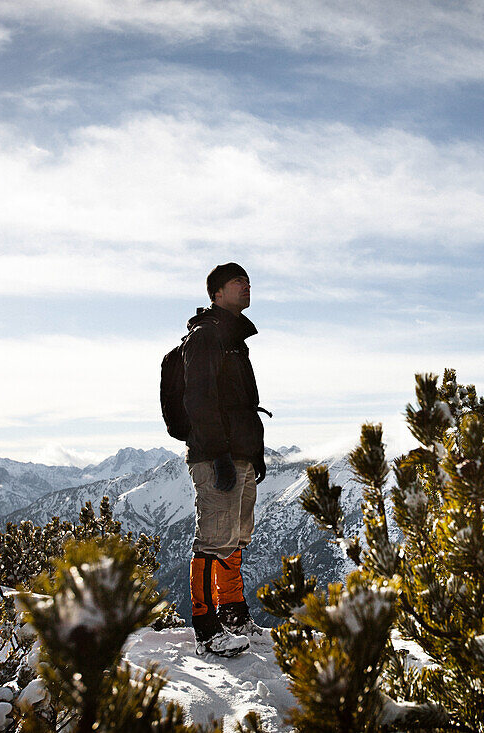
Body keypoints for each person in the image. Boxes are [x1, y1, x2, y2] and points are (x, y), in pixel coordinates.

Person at [182, 262, 269, 657]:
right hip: (218, 455)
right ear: (216, 293)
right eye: (238, 282)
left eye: (248, 281)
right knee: (213, 539)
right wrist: (217, 455)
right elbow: (199, 401)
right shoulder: (205, 337)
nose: (247, 286)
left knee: (235, 537)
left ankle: (233, 614)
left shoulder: (234, 340)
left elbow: (241, 405)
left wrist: (254, 454)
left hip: (240, 455)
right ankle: (206, 628)